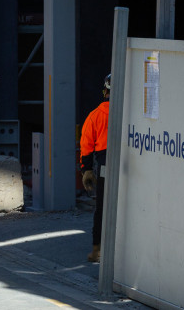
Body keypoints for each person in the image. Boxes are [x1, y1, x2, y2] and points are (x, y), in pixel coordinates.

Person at [79, 73, 111, 263]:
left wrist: (87, 169)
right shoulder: (130, 112)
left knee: (102, 208)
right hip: (128, 164)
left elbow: (86, 145)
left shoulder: (95, 115)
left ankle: (97, 251)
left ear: (105, 91)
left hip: (104, 164)